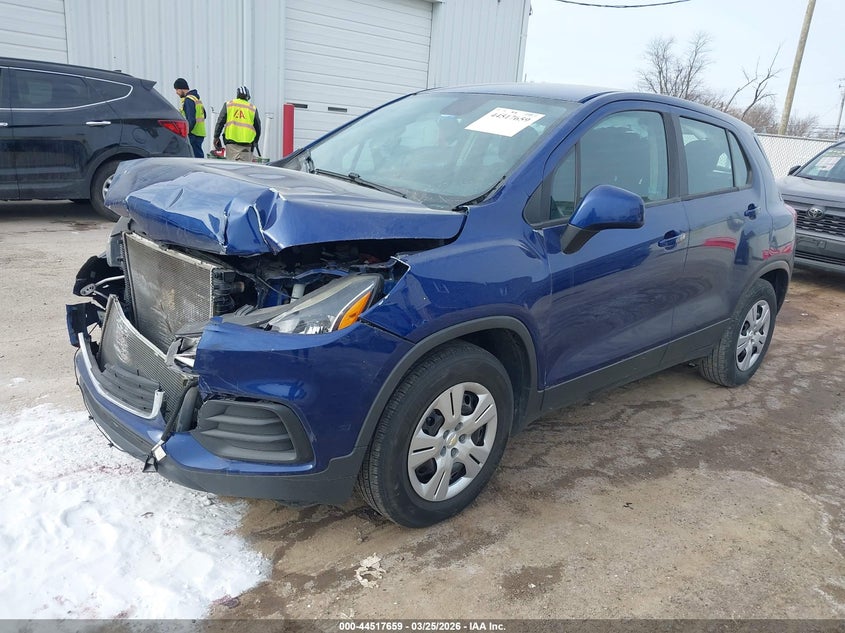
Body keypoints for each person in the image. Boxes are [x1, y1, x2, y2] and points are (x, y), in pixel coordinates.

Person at [213, 86, 261, 161]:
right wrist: (255, 142)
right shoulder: (252, 108)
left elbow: (220, 122)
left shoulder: (228, 105)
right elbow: (258, 128)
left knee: (232, 166)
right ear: (247, 96)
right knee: (244, 166)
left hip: (231, 144)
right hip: (246, 145)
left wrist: (216, 137)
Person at [173, 78, 206, 158]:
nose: (176, 92)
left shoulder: (188, 100)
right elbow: (204, 115)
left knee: (193, 159)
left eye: (177, 90)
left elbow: (191, 120)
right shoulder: (196, 98)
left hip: (193, 134)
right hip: (199, 133)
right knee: (197, 157)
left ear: (181, 89)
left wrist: (185, 133)